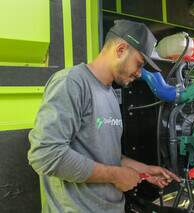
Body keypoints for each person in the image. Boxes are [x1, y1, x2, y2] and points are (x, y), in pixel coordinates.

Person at [28, 19, 180, 213]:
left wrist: (143, 169)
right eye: (139, 64)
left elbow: (105, 155)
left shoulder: (109, 93)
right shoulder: (72, 83)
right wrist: (115, 176)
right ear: (121, 49)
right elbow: (45, 155)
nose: (139, 73)